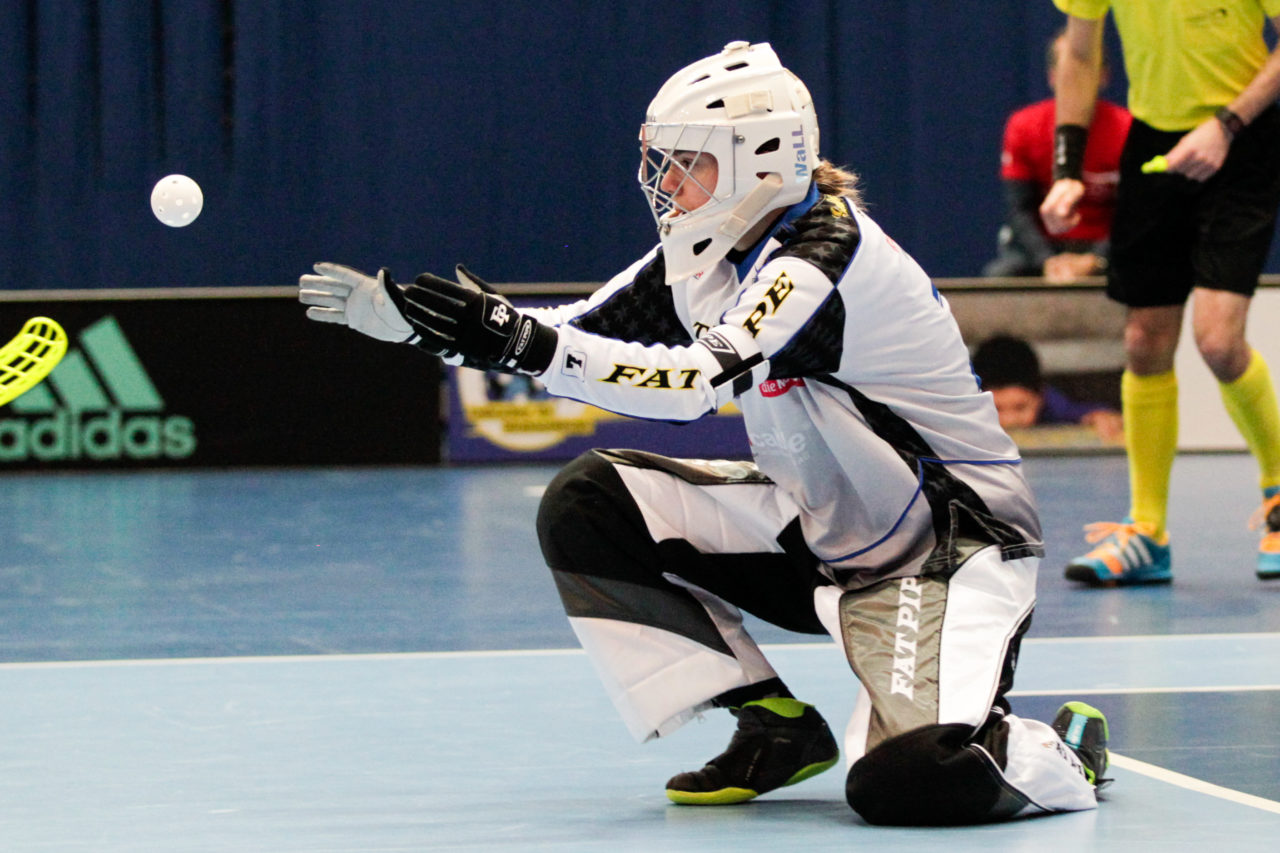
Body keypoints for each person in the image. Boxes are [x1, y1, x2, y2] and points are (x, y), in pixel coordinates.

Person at [299, 41, 1109, 826]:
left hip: (948, 549)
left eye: (690, 163)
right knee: (589, 503)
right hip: (821, 528)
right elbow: (575, 329)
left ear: (762, 159)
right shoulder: (705, 250)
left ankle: (1064, 747)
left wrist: (522, 342)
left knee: (914, 781)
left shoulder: (825, 257)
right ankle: (771, 723)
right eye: (665, 162)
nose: (668, 183)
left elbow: (696, 382)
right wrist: (432, 331)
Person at [1041, 2, 1280, 584]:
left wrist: (1224, 125)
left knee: (1218, 341)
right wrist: (1068, 165)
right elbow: (1078, 50)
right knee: (1145, 341)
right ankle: (1147, 530)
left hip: (1243, 137)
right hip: (1154, 141)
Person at [983, 31, 1131, 282]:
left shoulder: (1128, 129)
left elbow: (1133, 211)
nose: (1076, 79)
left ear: (1104, 75)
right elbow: (1019, 209)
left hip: (1111, 249)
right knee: (999, 277)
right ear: (1052, 76)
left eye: (1086, 68)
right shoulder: (1023, 126)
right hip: (1040, 251)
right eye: (1067, 69)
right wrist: (1047, 261)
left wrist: (1096, 260)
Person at [972, 334, 1123, 442]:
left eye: (1020, 407)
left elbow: (1083, 413)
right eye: (996, 409)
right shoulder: (961, 414)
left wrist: (1099, 417)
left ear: (1040, 397)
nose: (1010, 421)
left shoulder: (1053, 407)